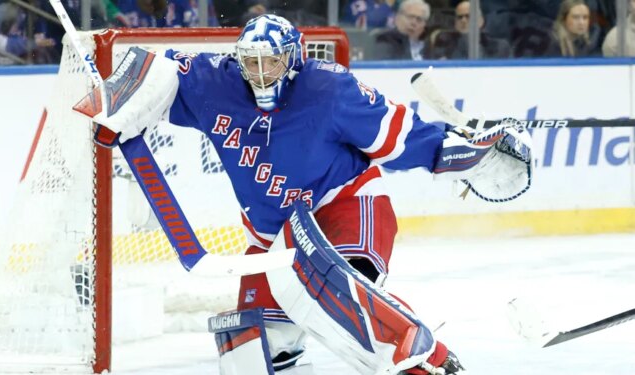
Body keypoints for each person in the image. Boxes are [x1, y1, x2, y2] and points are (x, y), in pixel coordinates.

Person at [74, 14, 532, 375]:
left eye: (269, 62)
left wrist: (470, 154)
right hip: (272, 235)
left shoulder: (329, 89)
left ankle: (429, 362)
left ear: (292, 59)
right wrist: (121, 100)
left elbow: (403, 137)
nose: (258, 73)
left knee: (335, 293)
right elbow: (161, 72)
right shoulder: (218, 84)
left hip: (345, 205)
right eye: (249, 62)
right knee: (254, 351)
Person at [429, 0, 511, 59]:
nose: (463, 20)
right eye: (459, 17)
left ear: (481, 21)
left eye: (468, 16)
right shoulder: (444, 43)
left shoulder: (499, 46)